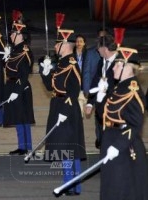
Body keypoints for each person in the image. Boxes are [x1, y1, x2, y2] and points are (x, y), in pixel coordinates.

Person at [100, 46, 148, 200]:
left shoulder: (133, 91)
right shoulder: (119, 87)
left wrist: (117, 146)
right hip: (111, 140)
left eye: (117, 64)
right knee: (111, 187)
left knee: (122, 190)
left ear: (126, 67)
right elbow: (106, 115)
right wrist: (101, 97)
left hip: (124, 148)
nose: (113, 67)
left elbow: (135, 124)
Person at [40, 39, 86, 196]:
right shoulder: (61, 62)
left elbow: (74, 90)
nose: (54, 46)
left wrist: (65, 111)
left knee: (69, 147)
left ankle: (72, 185)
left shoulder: (71, 63)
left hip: (67, 109)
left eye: (57, 44)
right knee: (63, 146)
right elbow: (51, 87)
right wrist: (45, 72)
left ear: (65, 46)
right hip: (57, 105)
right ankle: (69, 184)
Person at [4, 24, 35, 155]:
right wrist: (5, 58)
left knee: (23, 118)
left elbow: (24, 73)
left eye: (12, 33)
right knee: (18, 118)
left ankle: (26, 146)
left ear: (19, 35)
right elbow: (9, 68)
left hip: (20, 87)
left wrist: (16, 91)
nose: (10, 35)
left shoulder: (24, 51)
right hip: (12, 85)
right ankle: (22, 145)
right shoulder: (16, 49)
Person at [85, 35, 117, 149]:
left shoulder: (120, 64)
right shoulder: (101, 62)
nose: (97, 50)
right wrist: (90, 103)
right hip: (100, 109)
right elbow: (95, 82)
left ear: (105, 48)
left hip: (113, 111)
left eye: (99, 48)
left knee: (112, 142)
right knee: (102, 140)